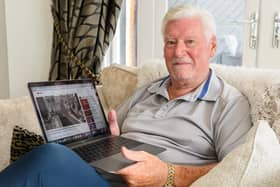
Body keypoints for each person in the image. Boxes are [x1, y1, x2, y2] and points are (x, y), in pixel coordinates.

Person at [0, 4, 252, 187]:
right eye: (171, 42)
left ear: (212, 47)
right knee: (53, 156)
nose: (178, 52)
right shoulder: (149, 89)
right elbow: (112, 132)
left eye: (190, 42)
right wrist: (108, 137)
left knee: (50, 156)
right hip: (99, 175)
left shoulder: (228, 103)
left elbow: (239, 170)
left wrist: (168, 174)